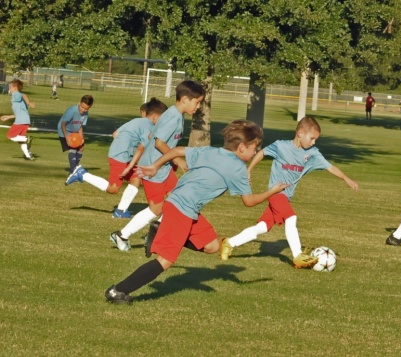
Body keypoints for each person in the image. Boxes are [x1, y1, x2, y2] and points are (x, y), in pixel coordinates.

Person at [105, 120, 290, 304]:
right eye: (254, 148)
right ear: (241, 147)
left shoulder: (212, 151)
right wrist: (272, 191)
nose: (255, 152)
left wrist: (155, 166)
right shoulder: (237, 168)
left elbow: (177, 151)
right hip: (181, 209)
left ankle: (159, 231)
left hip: (181, 205)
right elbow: (249, 201)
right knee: (166, 261)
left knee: (212, 246)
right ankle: (118, 290)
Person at [220, 116, 359, 269]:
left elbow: (330, 167)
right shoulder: (281, 146)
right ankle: (297, 256)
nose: (313, 143)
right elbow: (262, 153)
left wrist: (346, 178)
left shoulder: (312, 153)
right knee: (291, 217)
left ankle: (229, 243)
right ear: (300, 133)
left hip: (286, 196)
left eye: (315, 140)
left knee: (262, 227)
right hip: (275, 192)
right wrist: (249, 170)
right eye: (312, 138)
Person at [109, 80, 204, 252]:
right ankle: (122, 235)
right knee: (156, 209)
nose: (198, 106)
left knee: (179, 198)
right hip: (153, 169)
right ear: (184, 99)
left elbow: (154, 135)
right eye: (197, 102)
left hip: (163, 167)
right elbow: (159, 142)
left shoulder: (174, 114)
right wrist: (178, 160)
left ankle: (156, 233)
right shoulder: (173, 116)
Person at [64, 98, 168, 219]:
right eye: (163, 118)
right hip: (121, 156)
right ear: (155, 117)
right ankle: (82, 174)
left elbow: (115, 134)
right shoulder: (149, 126)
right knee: (113, 189)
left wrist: (125, 144)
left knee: (136, 179)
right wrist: (128, 162)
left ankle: (121, 211)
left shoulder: (136, 121)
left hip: (122, 153)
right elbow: (141, 148)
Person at [58, 94, 94, 183]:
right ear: (79, 103)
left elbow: (80, 125)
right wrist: (67, 138)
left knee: (81, 149)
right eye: (82, 107)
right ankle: (73, 172)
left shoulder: (86, 113)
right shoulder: (72, 110)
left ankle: (74, 170)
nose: (83, 110)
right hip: (64, 131)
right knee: (73, 149)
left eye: (86, 109)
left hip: (75, 132)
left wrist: (82, 138)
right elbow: (63, 124)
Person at [0, 79, 36, 161]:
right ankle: (28, 155)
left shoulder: (16, 95)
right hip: (25, 121)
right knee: (20, 141)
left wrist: (29, 103)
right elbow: (20, 112)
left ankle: (27, 139)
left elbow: (23, 95)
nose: (9, 89)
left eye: (10, 87)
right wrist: (8, 117)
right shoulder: (18, 99)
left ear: (15, 88)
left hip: (20, 122)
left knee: (10, 136)